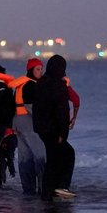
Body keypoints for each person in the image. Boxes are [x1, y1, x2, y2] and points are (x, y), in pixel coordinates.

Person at [34, 55, 75, 201]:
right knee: (67, 155)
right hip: (54, 130)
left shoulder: (41, 83)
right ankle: (59, 188)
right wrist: (63, 134)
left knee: (54, 159)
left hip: (42, 129)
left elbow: (37, 108)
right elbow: (62, 112)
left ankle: (49, 192)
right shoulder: (59, 86)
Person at [9, 58, 47, 196]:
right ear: (31, 70)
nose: (40, 72)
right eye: (37, 69)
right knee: (40, 156)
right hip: (30, 124)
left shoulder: (21, 85)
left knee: (25, 158)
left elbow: (14, 106)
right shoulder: (32, 86)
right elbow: (33, 108)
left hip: (18, 123)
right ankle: (43, 189)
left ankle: (28, 190)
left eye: (41, 69)